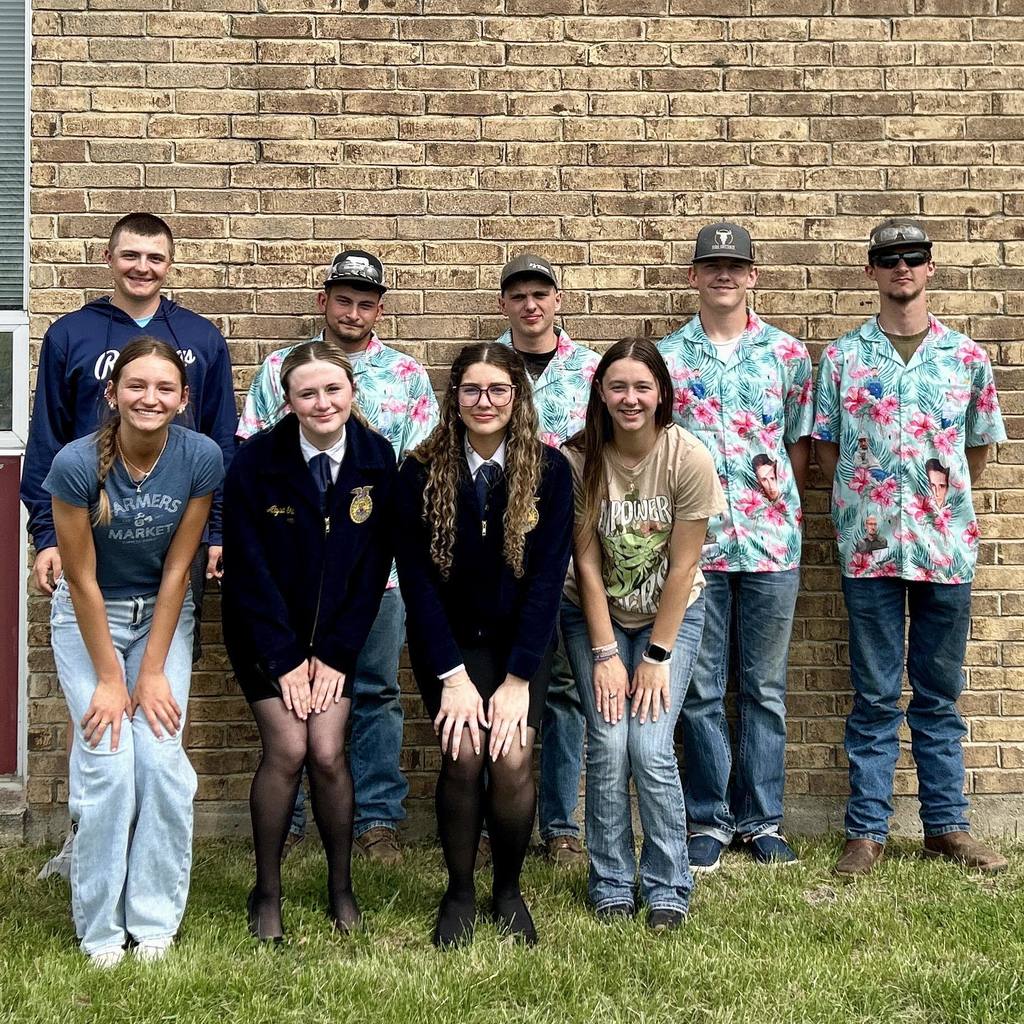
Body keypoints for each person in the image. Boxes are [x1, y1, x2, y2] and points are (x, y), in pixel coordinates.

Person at [25, 212, 236, 881]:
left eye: (155, 257)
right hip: (89, 547)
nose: (142, 266)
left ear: (170, 263)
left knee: (157, 712)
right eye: (131, 255)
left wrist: (216, 533)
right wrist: (45, 534)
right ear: (108, 257)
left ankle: (147, 856)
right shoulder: (72, 334)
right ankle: (89, 846)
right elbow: (48, 440)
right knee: (99, 708)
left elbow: (222, 442)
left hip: (170, 554)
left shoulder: (198, 337)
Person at [814, 217, 1008, 876]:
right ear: (872, 270)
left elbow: (976, 449)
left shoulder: (967, 358)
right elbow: (829, 451)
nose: (902, 267)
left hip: (944, 550)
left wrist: (934, 507)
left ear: (930, 268)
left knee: (938, 694)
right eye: (889, 258)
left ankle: (946, 828)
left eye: (913, 257)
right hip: (869, 550)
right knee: (873, 697)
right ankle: (865, 831)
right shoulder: (842, 360)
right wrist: (867, 505)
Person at [237, 250, 438, 864]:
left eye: (367, 301)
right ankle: (292, 815)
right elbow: (253, 459)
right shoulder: (280, 368)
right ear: (323, 300)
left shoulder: (406, 377)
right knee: (291, 690)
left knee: (375, 689)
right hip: (293, 575)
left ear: (380, 308)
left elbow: (416, 474)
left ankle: (377, 819)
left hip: (378, 575)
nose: (354, 311)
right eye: (343, 299)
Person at [43, 338, 224, 966]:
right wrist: (110, 679)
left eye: (164, 388)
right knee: (109, 762)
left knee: (162, 763)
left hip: (163, 618)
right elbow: (82, 578)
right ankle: (98, 931)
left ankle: (152, 923)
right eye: (137, 386)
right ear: (112, 393)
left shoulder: (200, 457)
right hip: (88, 618)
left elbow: (179, 569)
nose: (150, 398)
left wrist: (149, 673)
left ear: (182, 400)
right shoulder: (75, 464)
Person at [395, 342, 573, 948]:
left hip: (519, 647)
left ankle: (509, 889)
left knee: (513, 756)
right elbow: (417, 584)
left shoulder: (549, 473)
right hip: (448, 646)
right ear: (455, 398)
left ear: (517, 397)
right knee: (466, 752)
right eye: (472, 390)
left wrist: (518, 680)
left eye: (498, 390)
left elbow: (547, 583)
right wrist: (452, 676)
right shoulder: (420, 471)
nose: (485, 402)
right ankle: (460, 891)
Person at [222, 342, 397, 941]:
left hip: (336, 640)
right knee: (289, 751)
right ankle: (266, 890)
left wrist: (334, 655)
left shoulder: (377, 458)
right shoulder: (254, 463)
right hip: (264, 633)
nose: (321, 403)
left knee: (327, 751)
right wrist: (287, 659)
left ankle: (340, 886)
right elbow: (247, 570)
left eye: (332, 391)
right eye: (307, 393)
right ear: (287, 400)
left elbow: (372, 568)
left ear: (352, 394)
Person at [658, 223, 813, 872]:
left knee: (764, 689)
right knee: (697, 688)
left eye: (736, 265)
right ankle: (709, 821)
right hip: (697, 552)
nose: (724, 274)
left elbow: (799, 447)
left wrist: (774, 506)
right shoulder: (665, 360)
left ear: (752, 276)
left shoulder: (788, 356)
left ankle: (762, 820)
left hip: (772, 547)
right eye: (711, 265)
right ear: (694, 277)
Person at [561, 338, 725, 929]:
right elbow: (584, 565)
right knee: (608, 741)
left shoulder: (688, 458)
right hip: (594, 616)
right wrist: (606, 653)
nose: (630, 399)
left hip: (670, 619)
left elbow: (683, 568)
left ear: (661, 394)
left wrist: (656, 656)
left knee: (650, 746)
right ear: (600, 393)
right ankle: (609, 880)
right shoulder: (580, 460)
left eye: (642, 387)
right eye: (617, 386)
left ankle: (667, 882)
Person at [492, 252, 600, 867]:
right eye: (518, 296)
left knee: (563, 690)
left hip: (573, 547)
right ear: (505, 304)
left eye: (542, 294)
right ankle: (492, 820)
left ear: (558, 299)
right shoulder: (489, 366)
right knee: (497, 683)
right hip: (500, 555)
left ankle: (560, 825)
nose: (531, 305)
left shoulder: (589, 370)